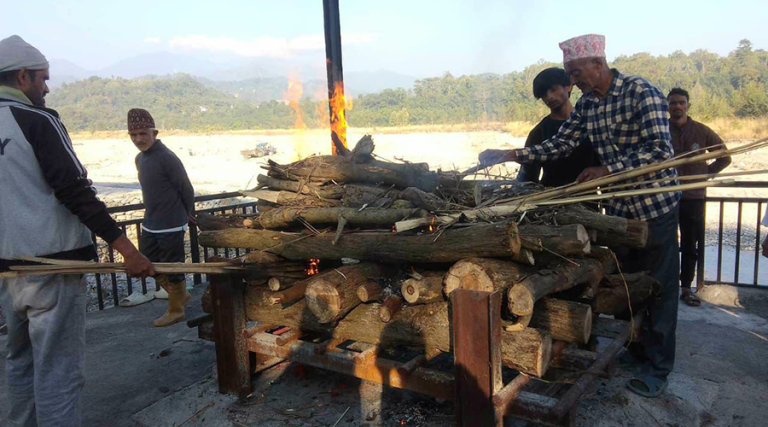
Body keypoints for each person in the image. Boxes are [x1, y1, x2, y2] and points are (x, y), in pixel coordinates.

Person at [479, 34, 680, 398]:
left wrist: (608, 170)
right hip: (619, 211)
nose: (573, 82)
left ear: (597, 65)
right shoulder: (588, 103)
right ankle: (637, 349)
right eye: (570, 75)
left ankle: (659, 367)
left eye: (574, 73)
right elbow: (562, 143)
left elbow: (660, 151)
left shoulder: (641, 92)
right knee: (628, 282)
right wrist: (512, 154)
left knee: (662, 287)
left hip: (655, 206)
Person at [0, 35, 154, 427]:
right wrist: (128, 250)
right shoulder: (36, 120)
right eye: (43, 79)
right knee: (58, 371)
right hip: (52, 268)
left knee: (19, 364)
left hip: (7, 272)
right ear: (22, 76)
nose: (47, 88)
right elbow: (75, 192)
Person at [128, 109, 196, 327]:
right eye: (134, 135)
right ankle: (181, 295)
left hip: (171, 223)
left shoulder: (167, 157)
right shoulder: (140, 159)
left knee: (173, 267)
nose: (139, 139)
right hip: (151, 222)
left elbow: (186, 188)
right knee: (146, 263)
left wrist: (189, 213)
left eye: (143, 133)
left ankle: (176, 309)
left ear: (154, 132)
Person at [668, 87, 731, 306]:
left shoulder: (702, 131)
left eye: (681, 102)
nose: (677, 106)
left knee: (689, 244)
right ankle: (664, 286)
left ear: (688, 105)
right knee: (664, 243)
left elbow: (724, 156)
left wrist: (707, 174)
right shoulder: (661, 131)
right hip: (665, 196)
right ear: (668, 106)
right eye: (673, 102)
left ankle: (686, 287)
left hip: (694, 197)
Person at [517, 67, 600, 187]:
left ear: (569, 86)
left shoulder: (590, 122)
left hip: (588, 198)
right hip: (553, 199)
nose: (549, 97)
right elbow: (528, 178)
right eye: (543, 94)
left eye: (553, 90)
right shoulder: (539, 132)